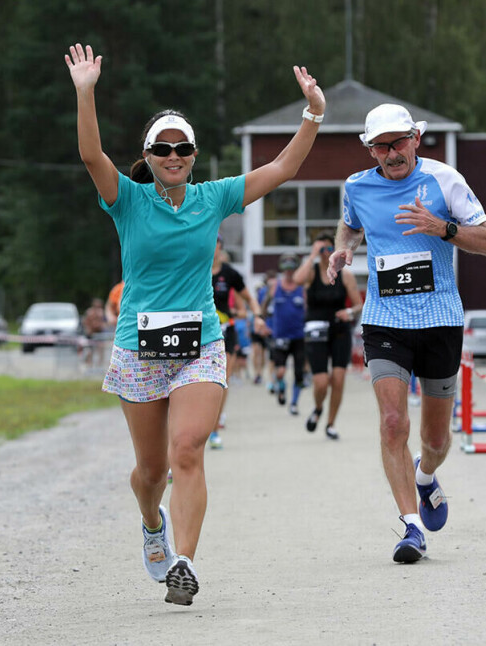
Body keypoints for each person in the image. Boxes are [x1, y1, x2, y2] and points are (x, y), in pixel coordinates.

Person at [65, 42, 325, 605]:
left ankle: (184, 561)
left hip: (201, 345)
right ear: (150, 154)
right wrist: (86, 92)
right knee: (151, 471)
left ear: (194, 154)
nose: (174, 155)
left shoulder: (214, 198)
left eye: (182, 147)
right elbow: (91, 156)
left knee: (188, 449)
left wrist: (313, 114)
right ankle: (152, 525)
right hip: (138, 348)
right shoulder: (127, 199)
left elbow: (282, 169)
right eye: (163, 148)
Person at [326, 103, 486, 564]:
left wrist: (442, 228)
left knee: (436, 441)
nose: (391, 153)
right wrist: (342, 251)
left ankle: (426, 477)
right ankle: (411, 526)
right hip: (385, 321)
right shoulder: (357, 187)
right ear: (370, 151)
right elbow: (349, 228)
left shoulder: (445, 181)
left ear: (415, 139)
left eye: (398, 142)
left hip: (440, 319)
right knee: (391, 422)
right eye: (381, 146)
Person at [293, 232, 362, 440]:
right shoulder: (313, 272)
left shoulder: (346, 275)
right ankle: (318, 407)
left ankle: (331, 423)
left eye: (329, 249)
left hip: (339, 330)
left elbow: (359, 304)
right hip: (316, 332)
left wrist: (349, 312)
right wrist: (312, 254)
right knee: (321, 382)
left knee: (339, 379)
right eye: (322, 250)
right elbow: (297, 280)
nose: (326, 254)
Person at [211, 235, 267, 448]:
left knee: (221, 379)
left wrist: (258, 316)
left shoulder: (230, 273)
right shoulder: (194, 268)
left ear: (220, 248)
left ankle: (215, 428)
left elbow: (250, 299)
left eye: (214, 243)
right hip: (197, 332)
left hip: (225, 331)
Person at [264, 254, 307, 415]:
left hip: (298, 336)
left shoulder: (302, 288)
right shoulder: (276, 286)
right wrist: (262, 322)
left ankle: (294, 403)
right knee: (280, 371)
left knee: (298, 373)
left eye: (292, 270)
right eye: (286, 270)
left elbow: (308, 309)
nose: (289, 273)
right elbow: (264, 306)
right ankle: (281, 388)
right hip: (280, 335)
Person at [80, 297, 107, 367]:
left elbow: (105, 323)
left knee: (101, 350)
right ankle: (89, 365)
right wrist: (88, 329)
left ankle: (99, 366)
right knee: (90, 350)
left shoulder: (101, 313)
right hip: (91, 335)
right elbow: (85, 322)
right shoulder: (89, 312)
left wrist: (100, 325)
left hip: (99, 334)